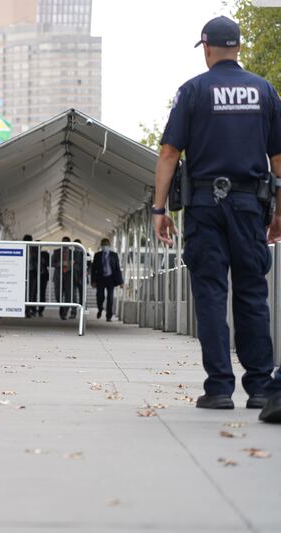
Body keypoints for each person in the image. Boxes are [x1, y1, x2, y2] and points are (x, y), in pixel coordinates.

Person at [153, 16, 281, 422]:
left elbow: (170, 152)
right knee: (251, 294)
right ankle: (261, 388)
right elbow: (278, 159)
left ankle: (219, 388)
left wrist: (159, 209)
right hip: (250, 205)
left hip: (206, 206)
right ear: (239, 47)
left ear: (207, 48)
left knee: (210, 294)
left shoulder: (193, 91)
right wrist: (280, 212)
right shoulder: (265, 91)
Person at [91, 238, 123, 322]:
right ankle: (100, 308)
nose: (105, 246)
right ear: (101, 246)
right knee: (100, 296)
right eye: (103, 245)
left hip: (111, 279)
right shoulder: (97, 255)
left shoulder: (114, 255)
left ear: (109, 246)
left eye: (106, 245)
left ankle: (109, 315)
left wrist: (121, 282)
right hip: (101, 278)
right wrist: (93, 281)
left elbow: (117, 269)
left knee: (110, 298)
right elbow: (93, 269)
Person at [51, 237, 73, 320]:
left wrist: (71, 264)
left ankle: (64, 312)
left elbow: (77, 264)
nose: (65, 244)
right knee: (58, 294)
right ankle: (61, 309)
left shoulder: (72, 253)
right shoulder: (56, 252)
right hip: (58, 275)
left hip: (68, 275)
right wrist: (59, 264)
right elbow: (52, 263)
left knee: (68, 295)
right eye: (63, 242)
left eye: (66, 243)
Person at [69, 239, 86, 319]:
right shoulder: (71, 254)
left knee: (82, 296)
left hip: (82, 277)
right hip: (73, 277)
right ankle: (73, 312)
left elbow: (89, 266)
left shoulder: (85, 253)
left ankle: (82, 312)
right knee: (73, 296)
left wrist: (87, 272)